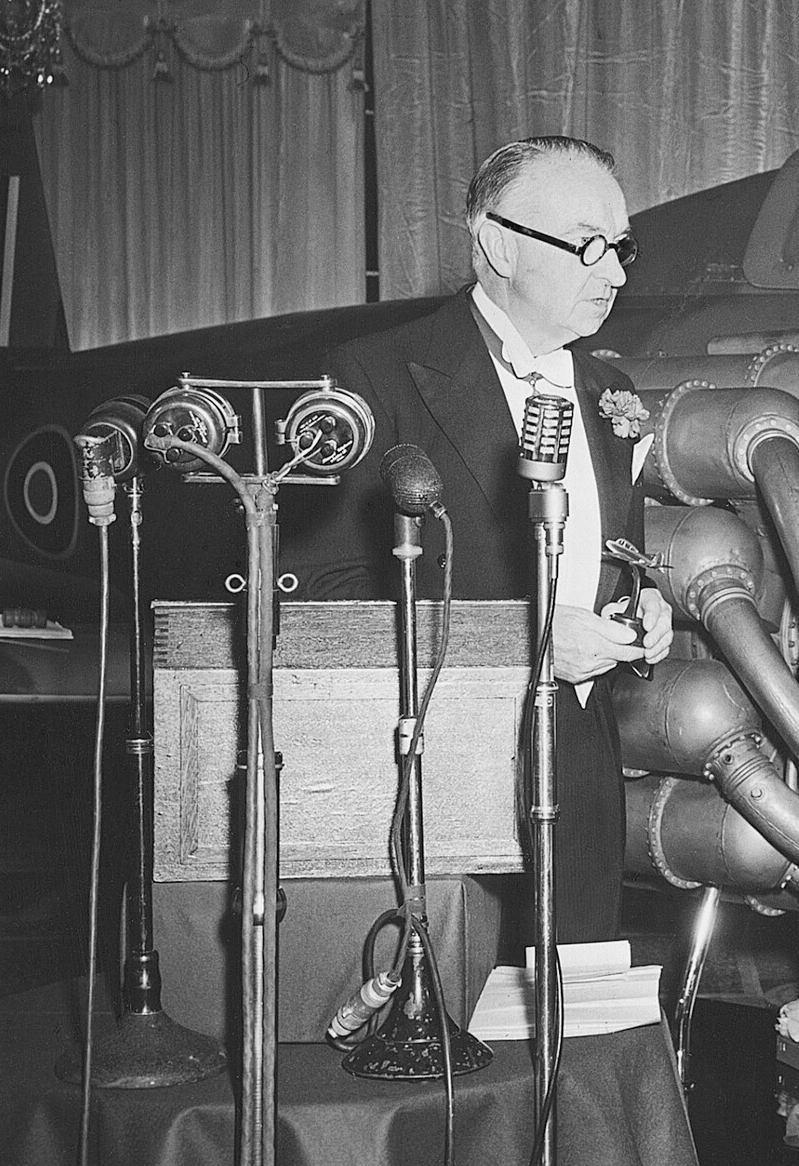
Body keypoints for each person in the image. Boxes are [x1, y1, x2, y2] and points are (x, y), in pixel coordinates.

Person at [286, 135, 672, 943]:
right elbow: (323, 598)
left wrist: (643, 607)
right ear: (497, 242)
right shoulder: (370, 377)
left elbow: (606, 560)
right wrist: (520, 639)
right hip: (442, 775)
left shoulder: (610, 389)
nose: (618, 273)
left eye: (623, 247)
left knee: (574, 1031)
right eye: (590, 247)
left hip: (582, 770)